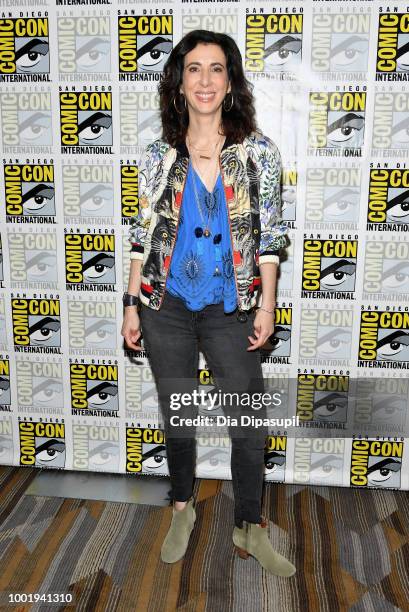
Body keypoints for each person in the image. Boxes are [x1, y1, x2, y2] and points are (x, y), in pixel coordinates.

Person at [121, 30, 296, 577]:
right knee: (179, 417)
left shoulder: (258, 153)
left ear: (230, 81)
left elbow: (270, 236)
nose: (204, 80)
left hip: (232, 306)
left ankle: (250, 526)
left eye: (216, 69)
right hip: (164, 305)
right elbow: (141, 234)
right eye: (193, 68)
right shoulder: (157, 155)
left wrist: (267, 305)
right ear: (178, 81)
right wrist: (131, 303)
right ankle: (181, 508)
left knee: (248, 424)